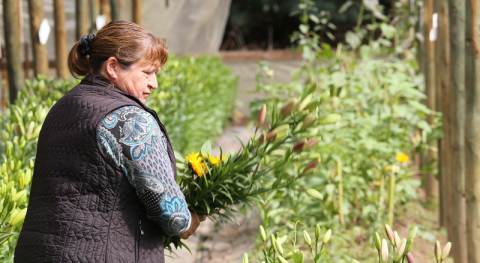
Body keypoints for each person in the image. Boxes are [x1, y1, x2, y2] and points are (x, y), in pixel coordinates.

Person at [14, 21, 205, 262]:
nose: (153, 84)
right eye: (147, 73)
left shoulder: (61, 107)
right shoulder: (130, 120)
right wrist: (191, 221)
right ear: (113, 67)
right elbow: (172, 214)